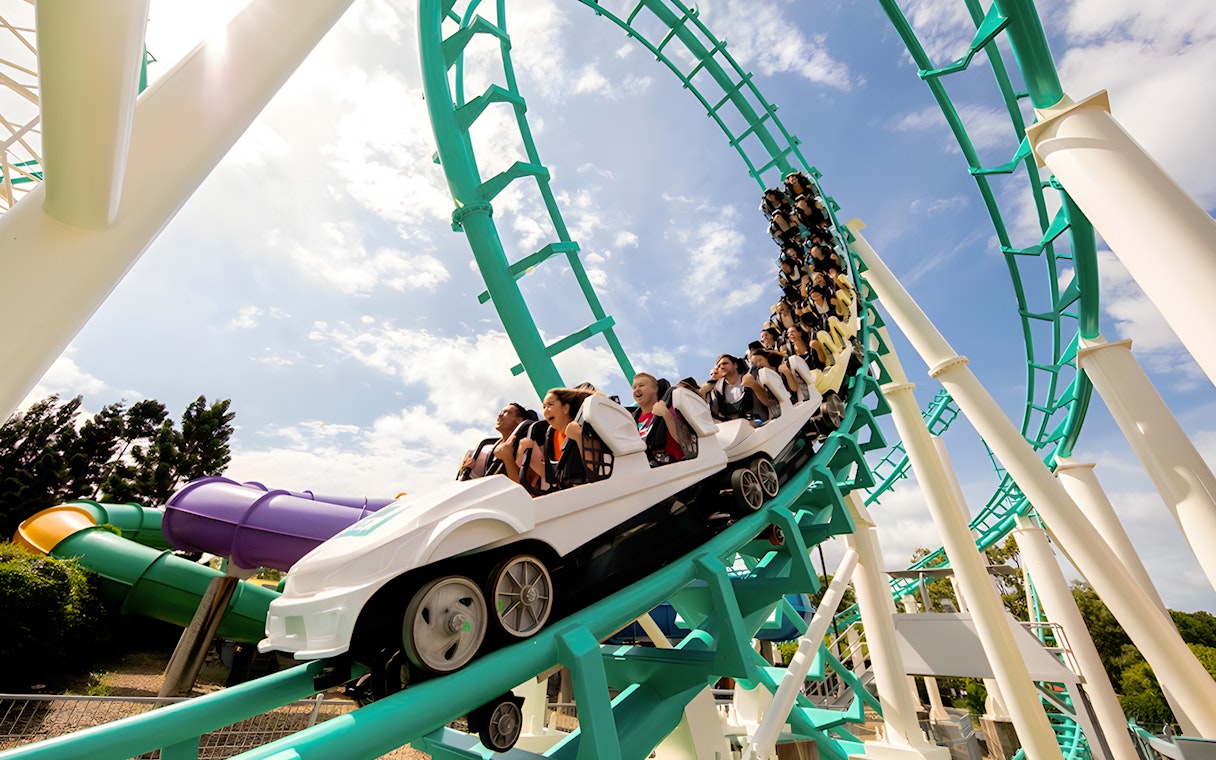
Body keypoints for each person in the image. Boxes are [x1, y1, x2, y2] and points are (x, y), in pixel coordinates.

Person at [508, 387, 596, 493]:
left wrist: (578, 436)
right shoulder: (552, 435)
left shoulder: (584, 427)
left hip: (591, 489)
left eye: (550, 405)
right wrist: (529, 458)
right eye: (544, 407)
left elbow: (595, 466)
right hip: (570, 492)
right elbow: (552, 474)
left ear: (565, 408)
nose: (545, 410)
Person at [458, 402, 537, 480]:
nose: (500, 415)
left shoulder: (524, 445)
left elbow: (527, 488)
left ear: (519, 420)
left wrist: (507, 457)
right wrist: (466, 471)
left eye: (506, 412)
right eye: (500, 412)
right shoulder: (491, 448)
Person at [631, 373, 685, 465]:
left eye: (641, 385)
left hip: (674, 467)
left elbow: (685, 442)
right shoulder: (631, 420)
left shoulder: (671, 409)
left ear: (655, 389)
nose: (637, 390)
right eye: (634, 387)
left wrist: (665, 414)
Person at [705, 354, 772, 424]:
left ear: (735, 365)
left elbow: (769, 403)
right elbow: (713, 417)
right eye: (718, 366)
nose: (721, 367)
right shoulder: (718, 391)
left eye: (725, 363)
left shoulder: (751, 377)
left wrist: (754, 385)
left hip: (761, 425)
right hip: (736, 429)